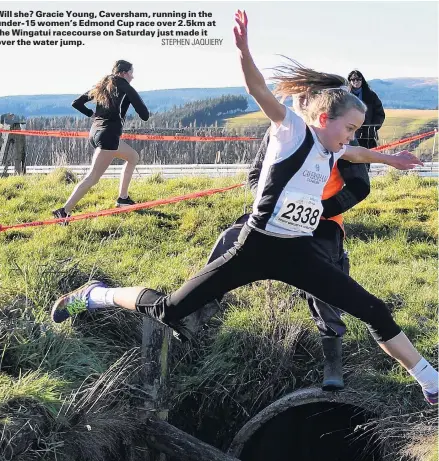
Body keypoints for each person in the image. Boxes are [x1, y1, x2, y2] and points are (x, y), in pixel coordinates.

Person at [50, 11, 437, 405]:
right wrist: (243, 51)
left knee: (373, 309)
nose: (352, 135)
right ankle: (94, 295)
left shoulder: (332, 149)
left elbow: (354, 151)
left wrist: (392, 159)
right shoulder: (292, 131)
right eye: (350, 126)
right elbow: (259, 91)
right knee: (169, 310)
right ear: (323, 118)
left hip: (300, 253)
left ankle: (430, 381)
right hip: (255, 247)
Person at [196, 126, 370, 391]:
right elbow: (256, 174)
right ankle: (196, 312)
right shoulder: (281, 130)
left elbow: (360, 186)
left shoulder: (339, 130)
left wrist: (319, 209)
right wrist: (271, 200)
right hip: (272, 216)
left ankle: (332, 356)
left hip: (322, 223)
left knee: (324, 275)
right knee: (228, 240)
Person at [53, 60, 149, 222]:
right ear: (123, 73)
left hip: (96, 133)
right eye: (131, 73)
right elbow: (145, 115)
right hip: (108, 136)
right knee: (93, 177)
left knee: (133, 157)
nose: (133, 77)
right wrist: (129, 102)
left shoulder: (102, 85)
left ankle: (123, 198)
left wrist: (92, 114)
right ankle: (63, 211)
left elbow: (76, 103)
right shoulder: (125, 87)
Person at [348, 70, 385, 169]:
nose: (356, 82)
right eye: (353, 79)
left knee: (365, 159)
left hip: (366, 133)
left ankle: (365, 179)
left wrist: (373, 127)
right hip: (349, 133)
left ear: (362, 80)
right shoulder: (346, 96)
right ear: (350, 81)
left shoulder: (371, 95)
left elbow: (380, 113)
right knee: (350, 159)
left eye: (358, 79)